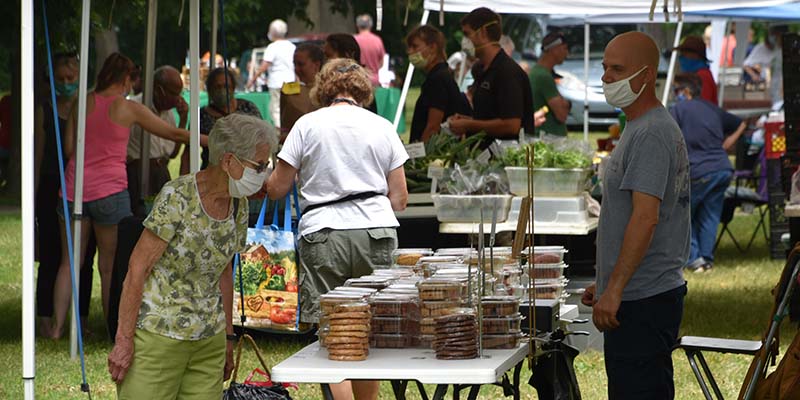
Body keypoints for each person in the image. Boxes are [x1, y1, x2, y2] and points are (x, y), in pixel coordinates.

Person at [266, 58, 408, 400]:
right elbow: (400, 198)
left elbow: (276, 189)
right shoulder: (383, 126)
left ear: (322, 88)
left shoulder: (306, 125)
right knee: (370, 329)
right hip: (376, 230)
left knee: (332, 332)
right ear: (363, 90)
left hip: (324, 232)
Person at [108, 114, 277, 399]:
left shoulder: (239, 205)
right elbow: (138, 268)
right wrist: (124, 340)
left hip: (208, 342)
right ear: (228, 161)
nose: (264, 173)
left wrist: (227, 337)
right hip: (158, 337)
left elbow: (224, 271)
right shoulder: (178, 196)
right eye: (259, 166)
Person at [50, 52, 202, 339]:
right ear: (127, 79)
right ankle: (112, 330)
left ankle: (57, 328)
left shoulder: (82, 102)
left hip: (72, 190)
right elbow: (173, 134)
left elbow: (69, 149)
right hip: (110, 192)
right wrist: (209, 139)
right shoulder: (127, 108)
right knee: (109, 267)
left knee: (69, 262)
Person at [581, 32, 690, 399]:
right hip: (638, 293)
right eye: (604, 68)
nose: (606, 77)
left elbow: (646, 218)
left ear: (645, 76)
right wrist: (608, 280)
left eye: (617, 69)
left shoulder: (651, 134)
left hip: (645, 301)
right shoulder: (638, 126)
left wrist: (616, 288)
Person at [34, 52, 96, 336]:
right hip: (50, 184)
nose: (66, 83)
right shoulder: (44, 110)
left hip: (83, 186)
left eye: (71, 78)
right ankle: (45, 317)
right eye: (61, 79)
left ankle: (80, 319)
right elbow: (37, 155)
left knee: (84, 257)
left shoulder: (88, 108)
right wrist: (34, 194)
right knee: (50, 254)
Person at [671, 73, 746, 273]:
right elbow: (741, 123)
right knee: (709, 216)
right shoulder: (711, 108)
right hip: (722, 168)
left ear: (685, 92)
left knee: (682, 214)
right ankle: (706, 259)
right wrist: (726, 145)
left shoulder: (678, 109)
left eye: (675, 90)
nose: (673, 94)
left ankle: (694, 260)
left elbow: (668, 136)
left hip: (698, 170)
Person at [447, 7, 534, 140]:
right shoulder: (481, 69)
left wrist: (469, 124)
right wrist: (465, 121)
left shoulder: (507, 71)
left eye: (467, 34)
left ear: (482, 32)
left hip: (506, 157)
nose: (464, 41)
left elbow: (511, 125)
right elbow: (490, 117)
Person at [126, 66, 186, 215]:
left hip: (161, 172)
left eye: (180, 93)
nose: (179, 98)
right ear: (159, 90)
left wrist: (183, 119)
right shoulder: (135, 107)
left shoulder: (169, 114)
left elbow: (172, 154)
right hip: (138, 173)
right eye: (174, 93)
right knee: (140, 216)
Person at [406, 25, 472, 143]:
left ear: (432, 47)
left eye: (415, 46)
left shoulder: (438, 79)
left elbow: (433, 127)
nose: (410, 51)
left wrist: (420, 158)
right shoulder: (440, 76)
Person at [196, 68, 263, 171]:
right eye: (217, 87)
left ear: (233, 87)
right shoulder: (201, 116)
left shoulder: (248, 108)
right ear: (210, 89)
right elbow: (188, 150)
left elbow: (262, 138)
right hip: (214, 172)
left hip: (247, 171)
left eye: (226, 86)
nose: (222, 90)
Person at [248, 19, 295, 129]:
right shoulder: (292, 46)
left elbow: (264, 66)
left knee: (276, 109)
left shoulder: (272, 47)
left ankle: (279, 131)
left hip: (277, 83)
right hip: (291, 82)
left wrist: (253, 80)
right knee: (289, 107)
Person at [324, 34, 379, 114]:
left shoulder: (362, 87)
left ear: (348, 55)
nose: (326, 62)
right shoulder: (323, 83)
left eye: (329, 56)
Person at [529, 31, 572, 136]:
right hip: (548, 139)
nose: (567, 53)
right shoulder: (543, 76)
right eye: (565, 48)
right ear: (554, 49)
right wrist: (567, 104)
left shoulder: (537, 72)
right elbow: (561, 115)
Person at [279, 43, 324, 139]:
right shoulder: (287, 89)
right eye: (294, 64)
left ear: (316, 64)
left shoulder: (329, 91)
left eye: (301, 64)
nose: (296, 69)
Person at [743, 25, 787, 108]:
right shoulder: (761, 48)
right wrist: (755, 76)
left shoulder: (783, 48)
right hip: (769, 88)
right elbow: (746, 64)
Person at [674, 35, 718, 104]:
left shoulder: (702, 76)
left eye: (684, 53)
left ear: (695, 55)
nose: (681, 57)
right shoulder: (697, 75)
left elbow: (703, 106)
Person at [354, 14, 385, 87]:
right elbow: (381, 62)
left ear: (357, 25)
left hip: (357, 79)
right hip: (374, 80)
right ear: (370, 25)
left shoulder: (354, 40)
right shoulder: (377, 40)